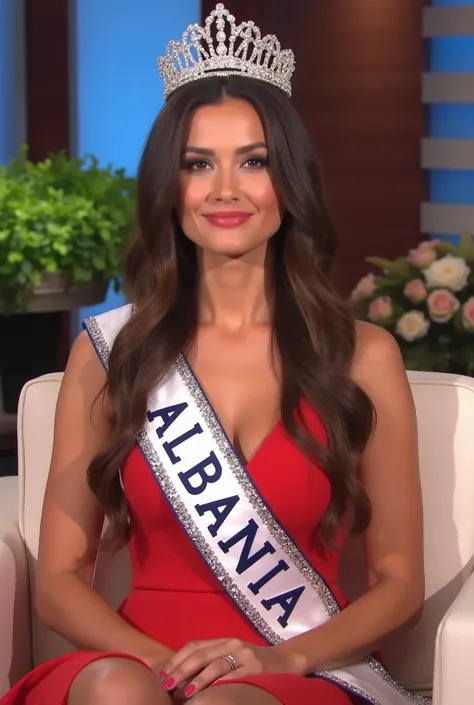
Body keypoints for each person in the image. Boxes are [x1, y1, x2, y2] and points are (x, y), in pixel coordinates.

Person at [1, 4, 431, 705]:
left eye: (253, 162)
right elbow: (56, 579)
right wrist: (162, 664)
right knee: (118, 692)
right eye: (198, 164)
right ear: (170, 189)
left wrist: (281, 657)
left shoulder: (361, 357)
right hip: (136, 661)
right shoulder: (112, 352)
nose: (225, 189)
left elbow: (400, 581)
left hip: (299, 664)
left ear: (288, 183)